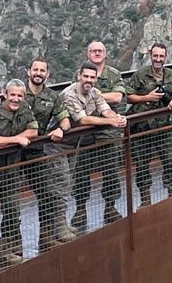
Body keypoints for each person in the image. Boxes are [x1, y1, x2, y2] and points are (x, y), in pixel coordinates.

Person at [0, 79, 38, 271]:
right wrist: (16, 139)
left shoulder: (24, 110)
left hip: (11, 168)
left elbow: (34, 130)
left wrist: (22, 137)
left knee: (12, 210)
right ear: (5, 94)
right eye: (13, 95)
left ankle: (6, 252)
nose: (16, 99)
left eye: (20, 95)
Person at [61, 63, 127, 230]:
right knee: (80, 173)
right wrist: (110, 121)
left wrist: (117, 117)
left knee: (110, 170)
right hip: (69, 141)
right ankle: (80, 210)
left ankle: (110, 207)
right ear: (79, 76)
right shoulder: (69, 94)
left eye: (92, 77)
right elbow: (83, 119)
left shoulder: (95, 93)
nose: (88, 80)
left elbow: (105, 109)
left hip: (94, 137)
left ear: (96, 79)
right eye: (86, 77)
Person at [21, 58, 76, 251]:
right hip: (12, 152)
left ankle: (46, 236)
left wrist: (61, 129)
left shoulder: (52, 97)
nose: (38, 73)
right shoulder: (18, 94)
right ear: (29, 72)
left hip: (36, 152)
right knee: (9, 201)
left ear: (47, 74)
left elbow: (66, 119)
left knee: (47, 193)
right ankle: (10, 247)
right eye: (35, 69)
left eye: (42, 70)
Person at [125, 42, 172, 206]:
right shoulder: (140, 74)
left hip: (163, 127)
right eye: (155, 56)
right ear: (150, 56)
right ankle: (146, 201)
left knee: (171, 162)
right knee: (142, 165)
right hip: (142, 127)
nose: (158, 59)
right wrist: (146, 98)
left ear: (166, 57)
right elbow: (128, 95)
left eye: (161, 56)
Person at [81, 41, 128, 113]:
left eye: (100, 51)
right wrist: (105, 97)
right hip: (85, 117)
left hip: (109, 116)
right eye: (94, 51)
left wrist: (91, 97)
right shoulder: (80, 73)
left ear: (105, 54)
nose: (97, 53)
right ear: (88, 54)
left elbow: (117, 98)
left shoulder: (114, 74)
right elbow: (76, 97)